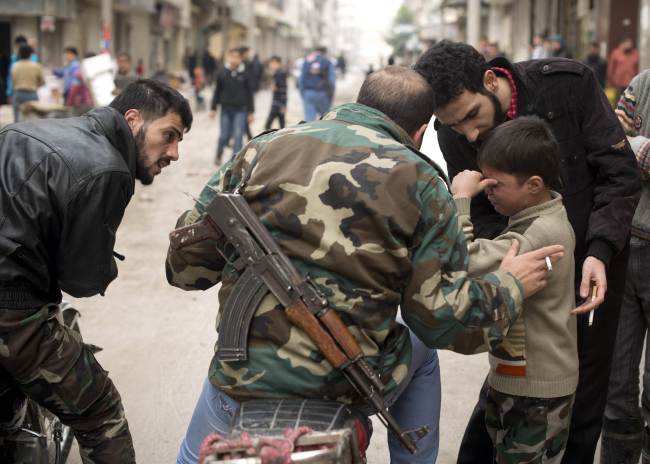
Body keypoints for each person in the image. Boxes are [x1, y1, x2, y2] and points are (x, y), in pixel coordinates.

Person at [166, 66, 564, 464]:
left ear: (359, 104)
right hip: (344, 386)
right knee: (423, 349)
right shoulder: (423, 181)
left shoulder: (262, 148)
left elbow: (184, 268)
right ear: (420, 132)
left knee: (197, 444)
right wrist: (508, 287)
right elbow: (440, 319)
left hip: (238, 383)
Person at [414, 39, 641, 464]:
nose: (471, 135)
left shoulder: (568, 84)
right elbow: (482, 210)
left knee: (585, 396)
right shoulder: (454, 129)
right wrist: (508, 263)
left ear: (489, 80)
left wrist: (599, 251)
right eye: (455, 126)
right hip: (521, 269)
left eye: (471, 117)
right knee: (508, 387)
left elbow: (619, 174)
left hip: (594, 266)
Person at [0, 79, 192, 463]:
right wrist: (106, 266)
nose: (173, 153)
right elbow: (81, 279)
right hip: (14, 316)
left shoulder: (18, 131)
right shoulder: (108, 169)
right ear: (133, 119)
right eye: (168, 136)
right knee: (101, 414)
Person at [451, 116, 577, 463]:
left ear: (534, 184)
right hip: (516, 382)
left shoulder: (542, 233)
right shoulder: (531, 219)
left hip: (537, 394)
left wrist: (461, 199)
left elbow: (463, 260)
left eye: (496, 185)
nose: (487, 191)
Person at [601, 69, 650, 463]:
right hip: (626, 245)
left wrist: (635, 144)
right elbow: (612, 143)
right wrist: (634, 146)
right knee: (615, 394)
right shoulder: (644, 83)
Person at [210, 48, 254, 165]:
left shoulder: (245, 73)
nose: (234, 59)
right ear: (229, 57)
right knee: (224, 136)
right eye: (232, 56)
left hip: (240, 111)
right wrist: (213, 108)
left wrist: (251, 112)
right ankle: (218, 155)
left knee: (238, 136)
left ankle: (234, 163)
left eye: (237, 57)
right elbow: (217, 91)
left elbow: (249, 94)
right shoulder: (222, 72)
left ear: (240, 59)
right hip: (225, 110)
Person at [299, 46, 336, 121]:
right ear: (325, 52)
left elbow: (301, 79)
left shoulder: (306, 61)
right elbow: (332, 80)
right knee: (325, 118)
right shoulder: (327, 62)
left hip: (308, 93)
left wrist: (303, 93)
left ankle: (309, 132)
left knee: (309, 119)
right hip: (323, 93)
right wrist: (331, 95)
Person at [10, 44, 44, 122]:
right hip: (32, 94)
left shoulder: (14, 66)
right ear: (30, 54)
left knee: (17, 122)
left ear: (19, 54)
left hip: (18, 94)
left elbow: (13, 81)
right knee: (33, 121)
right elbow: (42, 82)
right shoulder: (36, 66)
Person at [6, 35, 39, 104]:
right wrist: (9, 93)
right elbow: (10, 77)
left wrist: (9, 93)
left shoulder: (33, 58)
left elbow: (11, 77)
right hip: (28, 92)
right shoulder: (14, 58)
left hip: (22, 93)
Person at [608, 38, 640, 102]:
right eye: (627, 44)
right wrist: (610, 80)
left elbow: (637, 68)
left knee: (629, 102)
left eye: (630, 44)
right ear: (623, 44)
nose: (629, 46)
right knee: (618, 100)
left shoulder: (635, 54)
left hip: (631, 83)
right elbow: (611, 68)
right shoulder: (616, 53)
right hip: (618, 83)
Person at [264, 56, 287, 130]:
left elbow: (283, 90)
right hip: (278, 103)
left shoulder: (280, 74)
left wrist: (283, 105)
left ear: (279, 64)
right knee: (282, 125)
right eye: (271, 63)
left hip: (278, 104)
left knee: (268, 125)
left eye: (274, 63)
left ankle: (269, 140)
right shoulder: (277, 73)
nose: (271, 65)